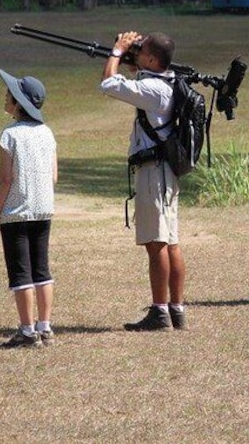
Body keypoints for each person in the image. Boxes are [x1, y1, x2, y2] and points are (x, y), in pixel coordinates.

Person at [100, 30, 188, 332]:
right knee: (171, 242)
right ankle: (176, 309)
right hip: (165, 171)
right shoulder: (168, 79)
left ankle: (159, 311)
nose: (135, 53)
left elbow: (108, 84)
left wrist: (116, 52)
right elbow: (140, 77)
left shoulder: (153, 89)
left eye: (141, 51)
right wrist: (131, 59)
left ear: (152, 59)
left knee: (156, 244)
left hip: (154, 172)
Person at [0, 70, 58, 348]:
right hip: (43, 209)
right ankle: (45, 326)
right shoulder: (47, 132)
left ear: (20, 104)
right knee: (41, 268)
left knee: (20, 272)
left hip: (16, 212)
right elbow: (54, 176)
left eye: (10, 94)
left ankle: (27, 332)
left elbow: (6, 179)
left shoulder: (9, 135)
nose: (6, 97)